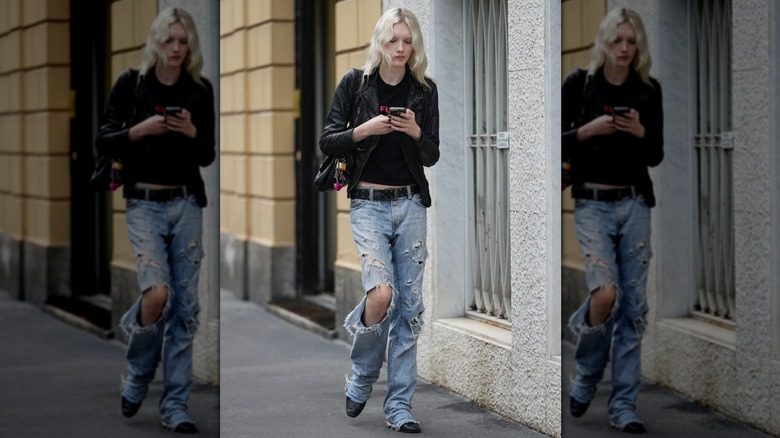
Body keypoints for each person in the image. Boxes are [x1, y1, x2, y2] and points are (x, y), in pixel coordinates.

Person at [319, 7, 439, 434]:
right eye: (394, 40)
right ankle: (363, 378)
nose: (401, 48)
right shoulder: (356, 84)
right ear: (381, 42)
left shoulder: (424, 91)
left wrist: (414, 132)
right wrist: (365, 129)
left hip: (410, 205)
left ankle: (400, 406)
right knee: (381, 293)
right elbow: (327, 139)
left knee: (409, 310)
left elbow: (432, 155)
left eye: (408, 41)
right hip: (367, 204)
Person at [95, 7, 215, 434]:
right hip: (143, 203)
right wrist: (140, 130)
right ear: (156, 42)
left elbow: (207, 155)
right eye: (170, 41)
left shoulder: (200, 91)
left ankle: (175, 405)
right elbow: (103, 138)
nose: (177, 49)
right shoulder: (132, 84)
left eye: (184, 41)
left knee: (185, 309)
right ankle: (138, 375)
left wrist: (190, 132)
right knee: (157, 293)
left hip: (185, 205)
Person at [561, 7, 663, 434]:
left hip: (635, 203)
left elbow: (656, 154)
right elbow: (556, 139)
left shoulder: (647, 91)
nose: (624, 48)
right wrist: (588, 130)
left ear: (638, 46)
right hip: (593, 204)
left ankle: (624, 405)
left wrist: (639, 133)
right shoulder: (580, 85)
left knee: (634, 308)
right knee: (605, 293)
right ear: (605, 41)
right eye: (618, 39)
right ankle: (586, 374)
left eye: (632, 41)